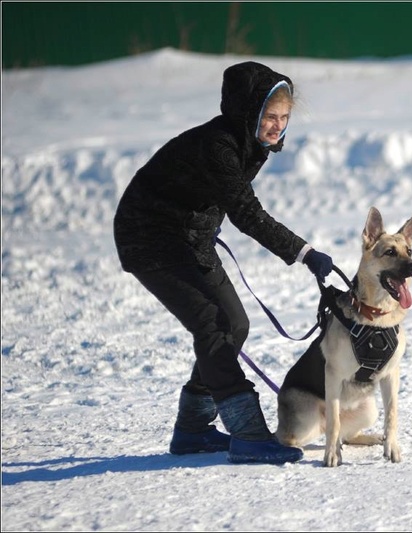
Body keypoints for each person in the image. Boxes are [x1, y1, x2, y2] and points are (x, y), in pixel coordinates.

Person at [113, 61, 333, 464]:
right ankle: (248, 433)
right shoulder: (219, 145)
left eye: (284, 118)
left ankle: (193, 430)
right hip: (148, 238)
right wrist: (304, 253)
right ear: (248, 112)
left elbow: (219, 200)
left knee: (235, 324)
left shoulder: (252, 145)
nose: (277, 127)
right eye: (270, 116)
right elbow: (246, 212)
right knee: (212, 325)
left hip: (189, 237)